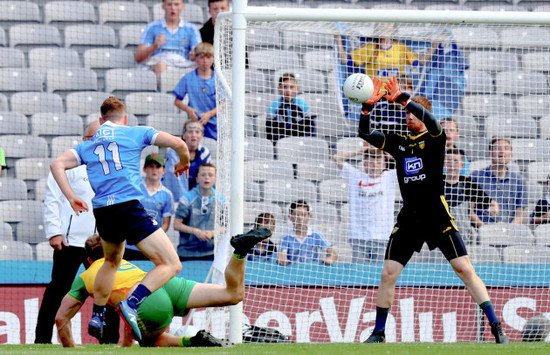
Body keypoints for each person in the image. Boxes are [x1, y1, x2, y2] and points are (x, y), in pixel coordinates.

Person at [358, 76, 508, 343]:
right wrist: (367, 107)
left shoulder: (437, 139)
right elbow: (366, 134)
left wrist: (402, 97)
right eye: (405, 113)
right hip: (410, 218)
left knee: (464, 269)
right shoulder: (400, 142)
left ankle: (496, 326)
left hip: (436, 215)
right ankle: (379, 332)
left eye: (411, 113)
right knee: (387, 273)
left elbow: (432, 121)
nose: (408, 117)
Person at [50, 96, 191, 342]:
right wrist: (184, 161)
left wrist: (71, 197)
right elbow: (179, 142)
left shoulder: (88, 145)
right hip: (128, 207)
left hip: (103, 211)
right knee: (172, 265)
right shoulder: (135, 132)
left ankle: (98, 314)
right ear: (124, 118)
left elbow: (56, 164)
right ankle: (133, 302)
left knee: (110, 263)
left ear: (101, 119)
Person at [55, 229, 272, 347]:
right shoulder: (125, 264)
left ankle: (191, 341)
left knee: (150, 341)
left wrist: (72, 350)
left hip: (146, 300)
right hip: (165, 283)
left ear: (89, 260)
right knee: (233, 294)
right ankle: (240, 253)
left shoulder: (86, 276)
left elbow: (61, 318)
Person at [34, 122, 119, 345]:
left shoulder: (110, 167)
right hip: (70, 242)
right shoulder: (66, 165)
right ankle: (42, 340)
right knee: (57, 291)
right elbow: (52, 200)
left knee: (108, 291)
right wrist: (54, 232)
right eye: (92, 139)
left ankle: (110, 341)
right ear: (84, 140)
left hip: (101, 244)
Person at [333, 144, 398, 262]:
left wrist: (386, 153)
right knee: (359, 276)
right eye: (370, 163)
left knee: (380, 275)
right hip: (359, 236)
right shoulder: (355, 176)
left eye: (378, 163)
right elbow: (337, 157)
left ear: (384, 165)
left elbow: (407, 162)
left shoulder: (390, 177)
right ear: (364, 165)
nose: (374, 166)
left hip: (382, 237)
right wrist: (362, 150)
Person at [124, 153, 175, 260]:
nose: (154, 170)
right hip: (130, 245)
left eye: (158, 167)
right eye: (151, 166)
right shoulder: (134, 188)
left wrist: (153, 238)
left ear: (163, 171)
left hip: (152, 246)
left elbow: (166, 224)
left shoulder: (167, 194)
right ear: (144, 169)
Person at [136, 0, 201, 81]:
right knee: (161, 66)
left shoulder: (191, 28)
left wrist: (194, 55)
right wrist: (154, 46)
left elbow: (200, 52)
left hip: (183, 65)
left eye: (176, 4)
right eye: (169, 4)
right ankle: (161, 92)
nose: (173, 8)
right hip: (160, 65)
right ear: (163, 6)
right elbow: (138, 57)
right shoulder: (152, 27)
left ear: (182, 6)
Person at [444, 148, 499, 244]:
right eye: (448, 161)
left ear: (462, 165)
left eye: (456, 161)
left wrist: (493, 209)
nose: (452, 165)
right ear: (443, 163)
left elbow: (491, 203)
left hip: (462, 235)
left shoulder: (468, 184)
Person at [470, 137, 527, 226]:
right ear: (490, 154)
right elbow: (470, 211)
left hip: (510, 231)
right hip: (482, 231)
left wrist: (509, 231)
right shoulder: (476, 177)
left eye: (506, 148)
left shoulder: (519, 181)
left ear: (511, 155)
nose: (502, 151)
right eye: (497, 148)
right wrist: (485, 229)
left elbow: (519, 215)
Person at [174, 163, 224, 260]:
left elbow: (227, 226)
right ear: (197, 179)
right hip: (187, 253)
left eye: (210, 175)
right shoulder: (187, 199)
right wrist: (196, 232)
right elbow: (177, 225)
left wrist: (213, 233)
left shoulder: (222, 201)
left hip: (212, 253)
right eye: (203, 175)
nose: (206, 178)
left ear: (215, 179)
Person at [173, 42, 218, 140]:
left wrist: (209, 114)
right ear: (196, 58)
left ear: (213, 59)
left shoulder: (219, 79)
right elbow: (177, 101)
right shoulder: (188, 78)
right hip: (194, 125)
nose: (205, 61)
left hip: (215, 125)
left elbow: (225, 103)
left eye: (208, 57)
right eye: (202, 57)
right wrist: (188, 110)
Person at [276, 200, 337, 266]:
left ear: (309, 216)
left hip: (312, 271)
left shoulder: (316, 235)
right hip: (292, 271)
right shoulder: (285, 237)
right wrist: (282, 259)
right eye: (295, 215)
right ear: (290, 217)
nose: (299, 218)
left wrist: (331, 258)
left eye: (303, 215)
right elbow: (282, 254)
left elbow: (333, 253)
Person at [163, 120, 211, 202]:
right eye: (190, 132)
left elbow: (205, 177)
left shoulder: (205, 153)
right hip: (175, 194)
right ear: (184, 135)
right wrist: (185, 201)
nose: (193, 135)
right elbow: (173, 178)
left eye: (197, 132)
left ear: (202, 136)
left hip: (196, 193)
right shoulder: (174, 151)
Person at [265, 72, 316, 143]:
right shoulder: (274, 106)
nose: (288, 91)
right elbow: (270, 128)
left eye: (291, 87)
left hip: (299, 137)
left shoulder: (302, 105)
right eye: (284, 87)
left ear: (297, 89)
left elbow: (309, 125)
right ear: (279, 89)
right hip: (281, 138)